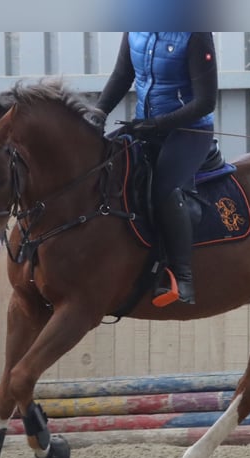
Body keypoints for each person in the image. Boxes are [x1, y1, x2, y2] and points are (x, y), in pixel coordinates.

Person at [88, 32, 218, 305]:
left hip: (189, 131)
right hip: (145, 126)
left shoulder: (196, 35)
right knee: (99, 169)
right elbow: (123, 74)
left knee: (164, 190)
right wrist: (99, 111)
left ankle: (182, 278)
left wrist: (160, 124)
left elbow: (205, 101)